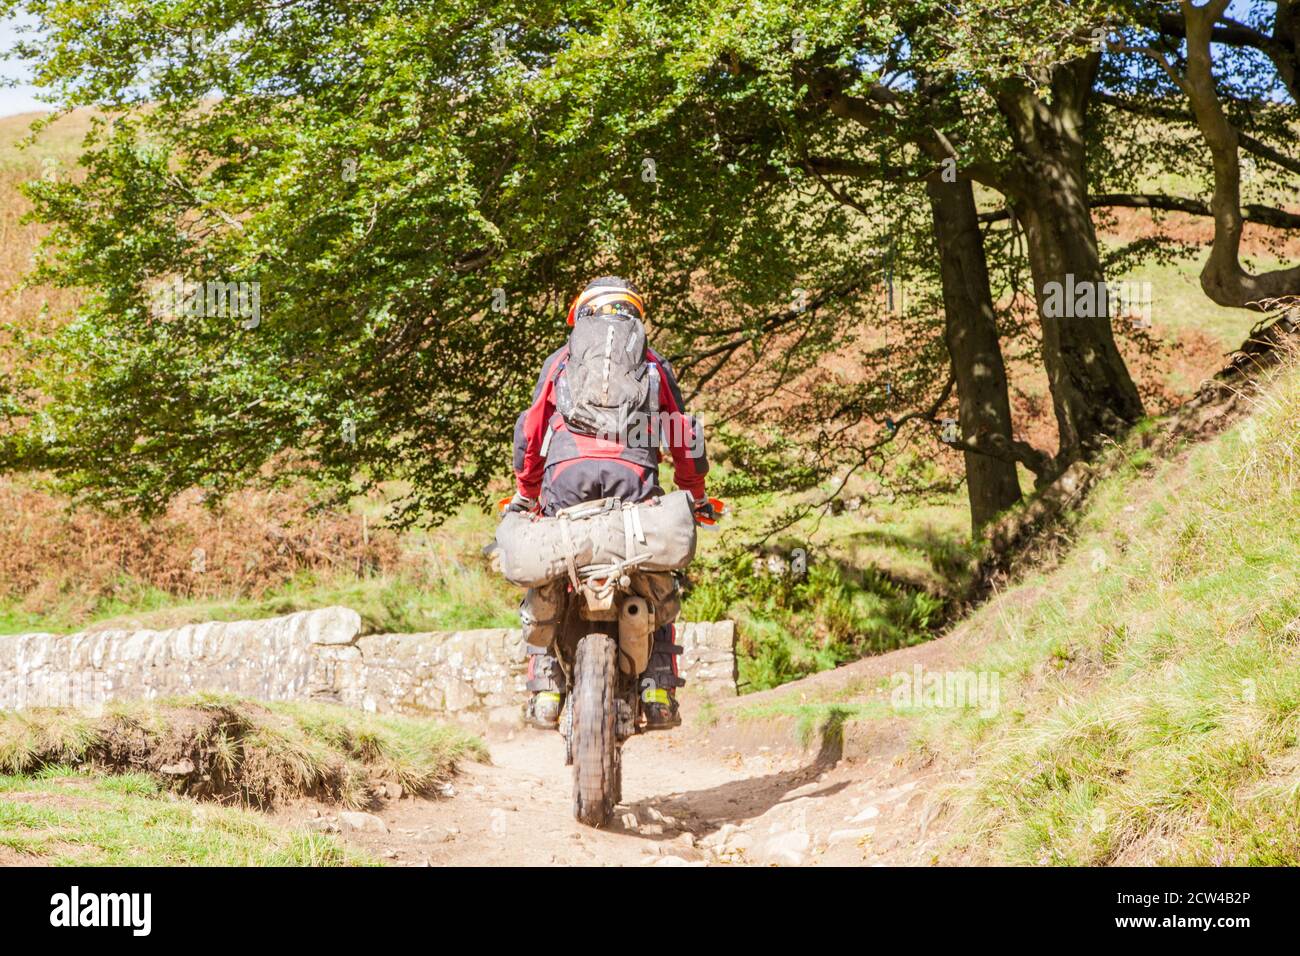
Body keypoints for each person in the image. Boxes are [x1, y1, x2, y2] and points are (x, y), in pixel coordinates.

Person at [509, 276, 711, 729]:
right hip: (633, 484)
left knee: (553, 564)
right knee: (652, 570)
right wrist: (694, 494)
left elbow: (530, 431)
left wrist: (526, 493)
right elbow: (685, 436)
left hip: (565, 483)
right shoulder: (654, 366)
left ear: (580, 317)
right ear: (635, 317)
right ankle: (658, 688)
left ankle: (544, 684)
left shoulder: (561, 363)